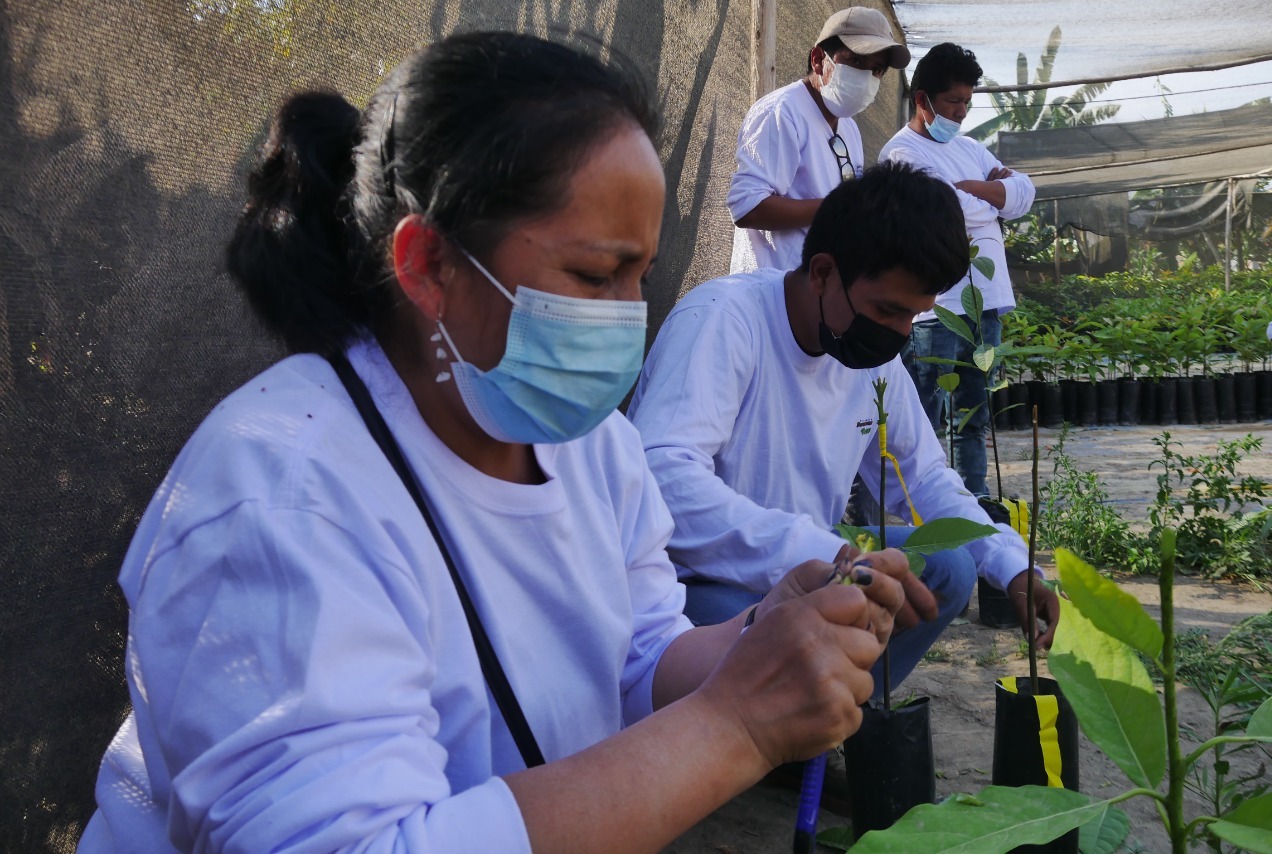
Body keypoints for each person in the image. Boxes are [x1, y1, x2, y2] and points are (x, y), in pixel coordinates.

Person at [77, 33, 921, 854]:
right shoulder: (279, 495)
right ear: (427, 265)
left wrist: (758, 637)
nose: (630, 316)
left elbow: (639, 658)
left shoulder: (593, 447)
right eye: (595, 276)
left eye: (641, 276)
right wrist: (734, 725)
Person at [627, 163, 1059, 702]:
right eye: (888, 310)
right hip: (703, 581)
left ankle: (838, 720)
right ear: (823, 272)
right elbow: (664, 480)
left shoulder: (870, 356)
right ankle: (761, 733)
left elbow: (922, 477)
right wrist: (821, 550)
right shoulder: (725, 321)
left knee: (945, 567)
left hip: (815, 560)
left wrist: (1011, 565)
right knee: (773, 629)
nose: (899, 335)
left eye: (914, 316)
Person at [879, 42, 1036, 498]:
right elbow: (944, 210)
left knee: (974, 412)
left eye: (967, 102)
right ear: (922, 99)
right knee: (925, 412)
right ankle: (922, 506)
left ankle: (976, 501)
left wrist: (978, 190)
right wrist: (993, 193)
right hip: (936, 308)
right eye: (953, 102)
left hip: (987, 300)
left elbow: (1025, 194)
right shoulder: (900, 154)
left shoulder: (970, 148)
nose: (962, 112)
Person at [726, 6, 909, 274]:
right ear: (818, 59)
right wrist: (840, 207)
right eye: (857, 61)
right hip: (773, 290)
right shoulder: (782, 112)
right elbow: (747, 208)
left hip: (819, 292)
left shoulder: (849, 127)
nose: (867, 78)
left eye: (877, 69)